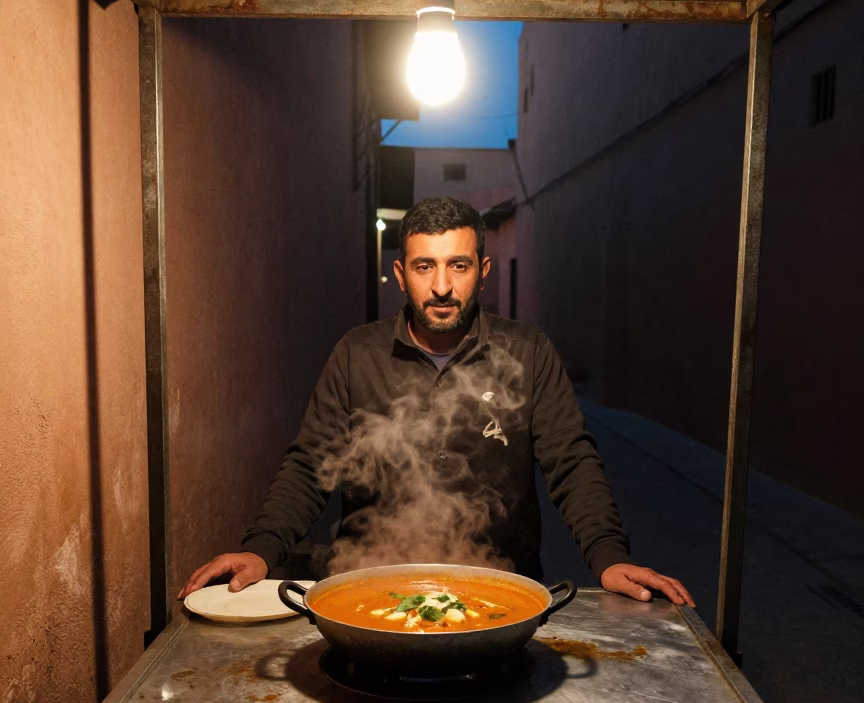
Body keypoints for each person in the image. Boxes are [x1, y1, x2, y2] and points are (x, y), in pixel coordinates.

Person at [181, 198, 693, 607]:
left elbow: (572, 462)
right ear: (401, 274)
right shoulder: (357, 354)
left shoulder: (527, 351)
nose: (442, 286)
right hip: (368, 588)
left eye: (459, 265)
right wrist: (261, 549)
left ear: (483, 270)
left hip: (501, 592)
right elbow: (309, 464)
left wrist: (607, 557)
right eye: (425, 266)